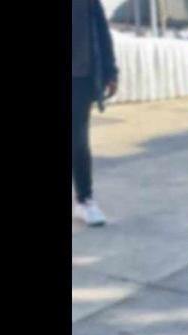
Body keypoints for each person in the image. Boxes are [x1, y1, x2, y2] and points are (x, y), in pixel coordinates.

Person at [72, 0, 118, 226]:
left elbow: (101, 32)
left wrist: (111, 71)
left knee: (78, 141)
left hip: (79, 79)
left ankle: (85, 200)